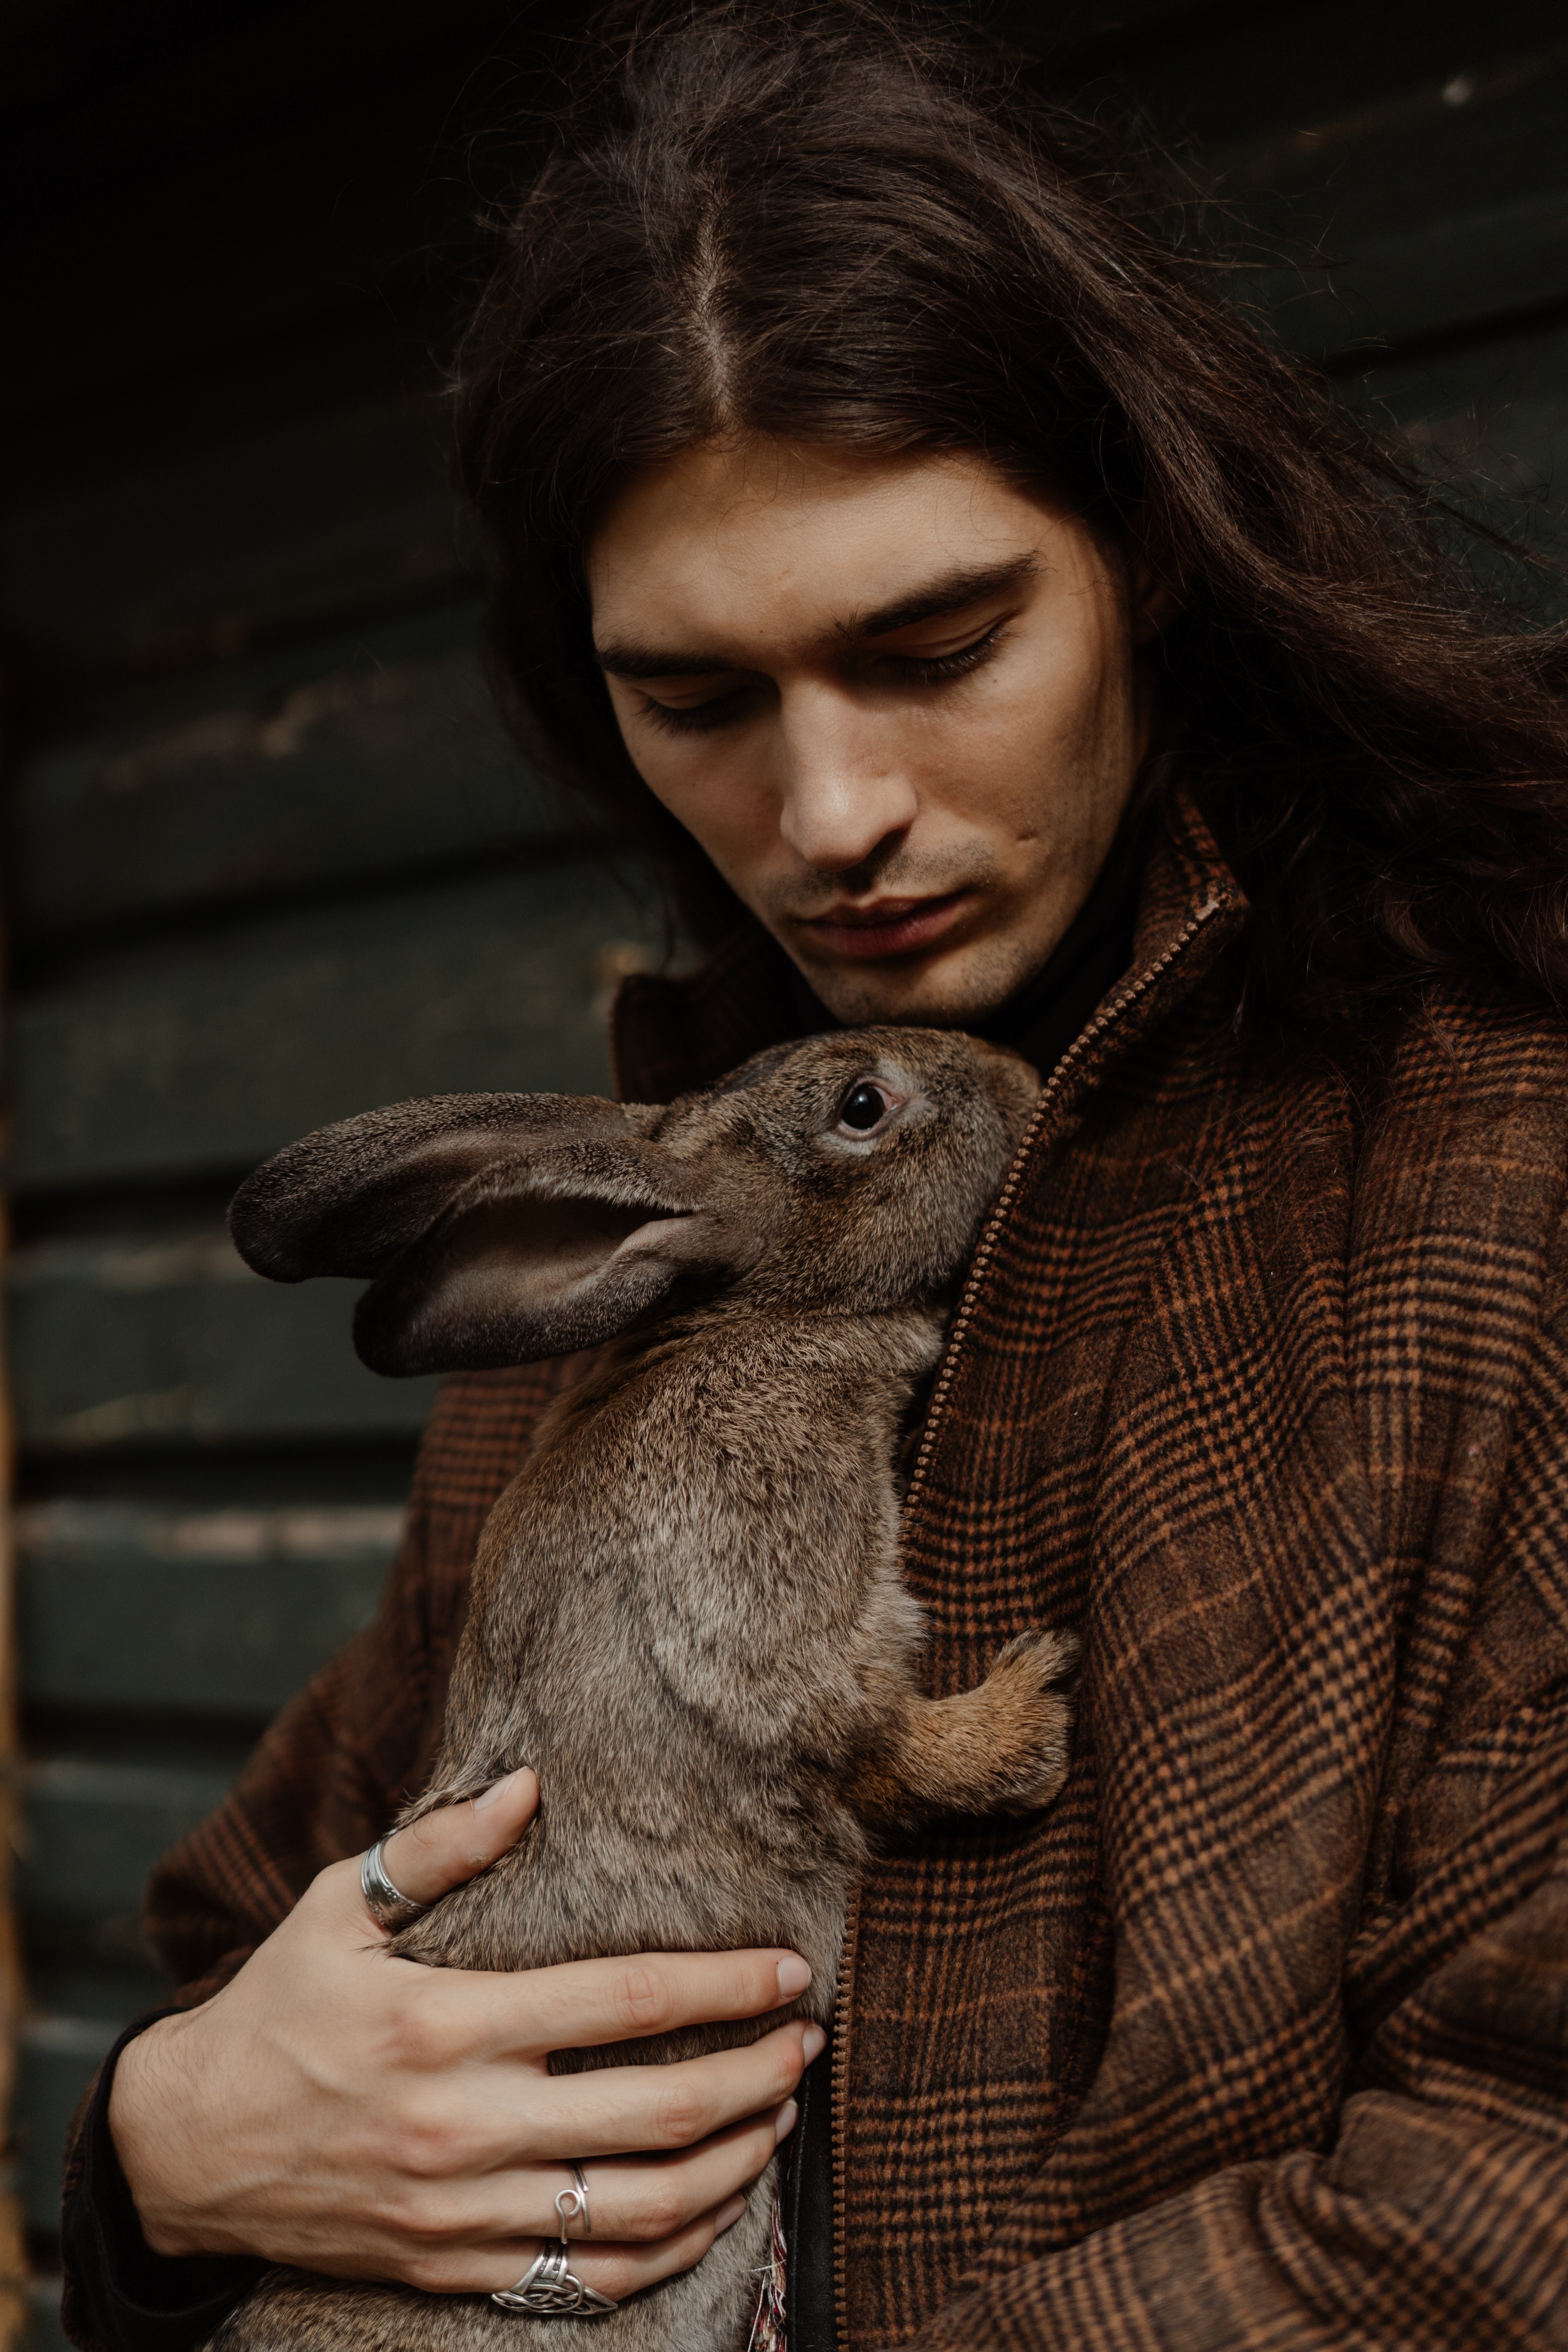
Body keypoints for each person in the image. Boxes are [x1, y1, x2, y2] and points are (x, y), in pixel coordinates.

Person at [62, 4, 1568, 2347]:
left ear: (1145, 550)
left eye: (935, 639)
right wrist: (165, 2154)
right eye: (698, 699)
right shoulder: (656, 1237)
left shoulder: (1491, 1156)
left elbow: (1510, 2194)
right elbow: (264, 1934)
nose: (831, 808)